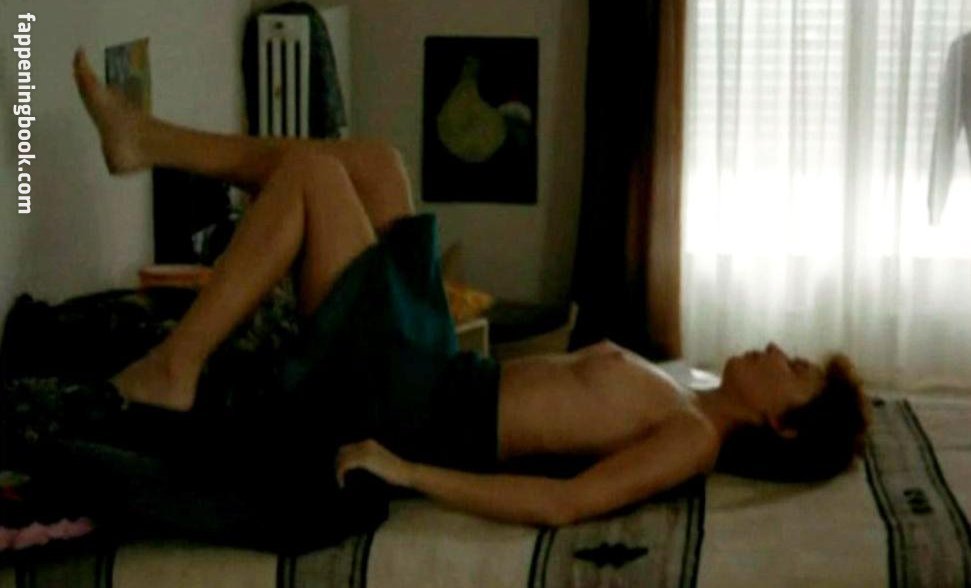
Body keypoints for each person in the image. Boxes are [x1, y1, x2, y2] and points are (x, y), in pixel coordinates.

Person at [29, 50, 867, 533]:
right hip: (435, 366)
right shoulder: (684, 388)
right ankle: (143, 141)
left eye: (793, 368)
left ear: (783, 422)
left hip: (412, 405)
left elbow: (565, 505)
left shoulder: (691, 439)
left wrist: (408, 472)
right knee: (377, 163)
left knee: (316, 176)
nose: (775, 349)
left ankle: (175, 368)